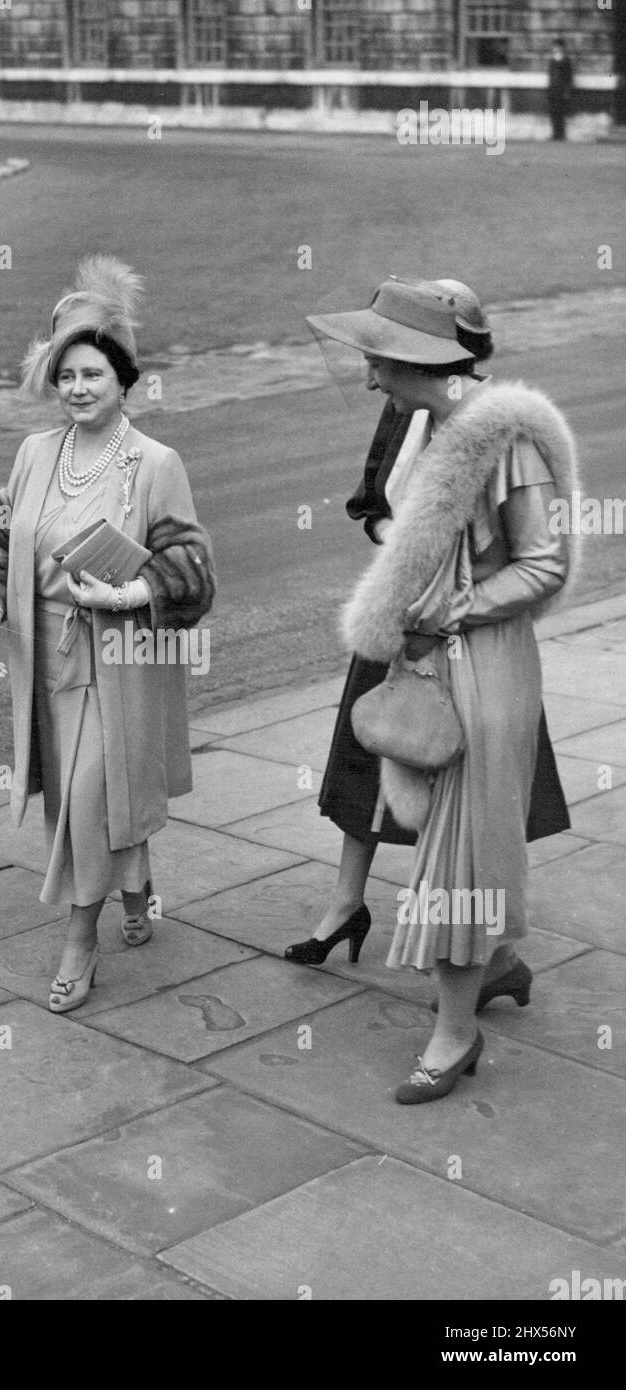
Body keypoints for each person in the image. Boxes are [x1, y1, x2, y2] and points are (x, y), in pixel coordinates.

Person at [305, 276, 579, 1103]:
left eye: (376, 362)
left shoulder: (506, 441)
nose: (368, 378)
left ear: (411, 359)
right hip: (434, 658)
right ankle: (493, 962)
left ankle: (455, 1035)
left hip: (482, 663)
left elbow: (547, 563)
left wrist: (457, 609)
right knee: (442, 837)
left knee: (461, 851)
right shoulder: (432, 421)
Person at [0, 256, 216, 1014]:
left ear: (123, 379)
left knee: (88, 792)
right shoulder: (38, 453)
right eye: (65, 374)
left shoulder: (155, 463)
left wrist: (136, 589)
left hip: (122, 660)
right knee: (83, 795)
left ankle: (80, 939)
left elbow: (192, 567)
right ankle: (135, 883)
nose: (76, 388)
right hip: (43, 657)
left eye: (92, 374)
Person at [547, 37, 575, 141]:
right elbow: (550, 76)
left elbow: (569, 77)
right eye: (554, 46)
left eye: (557, 46)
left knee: (561, 113)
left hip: (562, 90)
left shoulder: (566, 60)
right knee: (553, 112)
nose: (555, 48)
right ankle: (555, 134)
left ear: (562, 47)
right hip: (553, 89)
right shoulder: (552, 60)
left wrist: (567, 90)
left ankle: (561, 134)